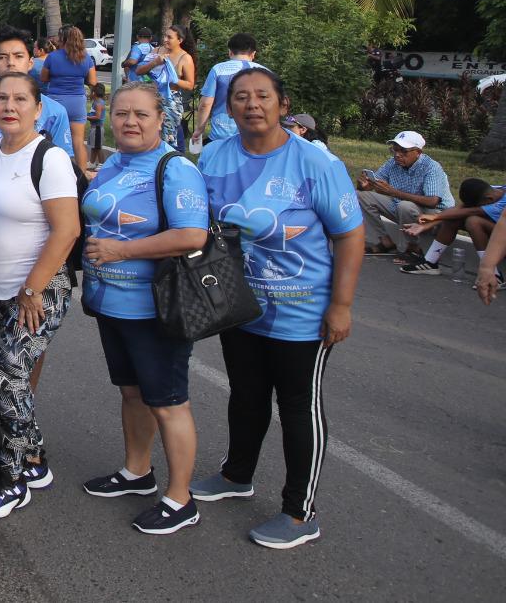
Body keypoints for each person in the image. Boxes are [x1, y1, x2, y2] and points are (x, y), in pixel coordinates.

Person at [191, 66, 363, 550]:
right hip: (238, 305)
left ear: (283, 105)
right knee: (245, 395)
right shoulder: (216, 155)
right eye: (240, 97)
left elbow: (349, 235)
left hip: (302, 312)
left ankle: (298, 511)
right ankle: (236, 475)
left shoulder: (315, 163)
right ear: (229, 107)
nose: (251, 105)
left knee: (297, 409)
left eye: (262, 96)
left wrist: (341, 305)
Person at [79, 82, 209, 535]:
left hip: (157, 309)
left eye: (141, 115)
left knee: (168, 402)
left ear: (161, 120)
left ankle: (180, 497)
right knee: (131, 393)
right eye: (121, 114)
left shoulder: (175, 168)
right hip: (111, 304)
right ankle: (137, 472)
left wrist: (121, 253)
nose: (130, 122)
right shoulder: (114, 161)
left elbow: (193, 236)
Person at [0, 72, 79, 520]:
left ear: (38, 107)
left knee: (10, 377)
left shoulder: (48, 159)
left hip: (38, 291)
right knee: (2, 379)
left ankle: (11, 477)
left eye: (19, 99)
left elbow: (66, 229)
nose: (9, 106)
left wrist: (32, 289)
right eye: (1, 98)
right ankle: (34, 457)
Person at [0, 28, 75, 157]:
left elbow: (64, 161)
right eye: (2, 57)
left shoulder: (56, 112)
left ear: (30, 62)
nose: (11, 63)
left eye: (18, 56)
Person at [356, 130, 453, 257]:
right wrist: (364, 186)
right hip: (403, 208)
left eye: (403, 151)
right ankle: (385, 243)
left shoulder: (431, 167)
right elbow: (376, 184)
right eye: (394, 150)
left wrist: (393, 192)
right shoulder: (392, 163)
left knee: (405, 206)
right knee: (360, 196)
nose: (397, 155)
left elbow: (433, 201)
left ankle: (413, 249)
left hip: (435, 216)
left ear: (418, 152)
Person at [400, 178, 504, 278]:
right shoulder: (492, 190)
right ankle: (430, 263)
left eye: (480, 205)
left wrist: (435, 217)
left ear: (489, 199)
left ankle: (493, 275)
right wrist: (425, 226)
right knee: (452, 219)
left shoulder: (501, 202)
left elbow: (472, 211)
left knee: (473, 221)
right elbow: (458, 210)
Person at [39, 26, 97, 161]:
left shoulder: (52, 57)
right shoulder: (85, 58)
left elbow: (43, 78)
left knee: (52, 141)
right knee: (78, 142)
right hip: (77, 102)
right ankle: (81, 176)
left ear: (63, 38)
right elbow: (93, 81)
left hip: (56, 101)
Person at [136, 25, 197, 150]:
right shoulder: (157, 51)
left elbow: (190, 84)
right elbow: (139, 70)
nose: (165, 39)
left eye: (169, 37)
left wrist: (174, 80)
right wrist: (155, 63)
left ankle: (170, 162)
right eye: (165, 36)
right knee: (149, 134)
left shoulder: (185, 58)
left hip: (171, 100)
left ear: (180, 40)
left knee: (169, 138)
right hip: (152, 98)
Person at [195, 33, 262, 142]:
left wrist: (199, 129)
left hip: (221, 133)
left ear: (230, 52)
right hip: (253, 134)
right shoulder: (265, 73)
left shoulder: (218, 69)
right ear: (253, 54)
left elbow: (205, 104)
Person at [86, 83, 108, 170]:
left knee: (98, 147)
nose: (89, 93)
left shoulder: (98, 103)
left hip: (97, 128)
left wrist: (86, 117)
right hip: (94, 128)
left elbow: (98, 117)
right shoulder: (96, 102)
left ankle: (102, 163)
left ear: (94, 93)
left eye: (91, 92)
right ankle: (92, 162)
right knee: (94, 146)